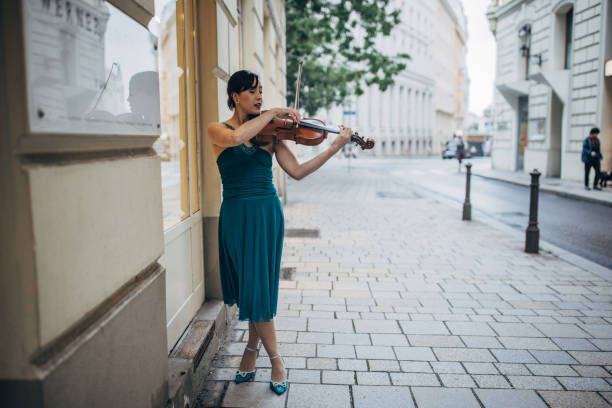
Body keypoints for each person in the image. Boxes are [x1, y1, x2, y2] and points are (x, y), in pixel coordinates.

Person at [206, 70, 351, 396]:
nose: (259, 96)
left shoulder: (272, 136)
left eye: (261, 92)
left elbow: (298, 172)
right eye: (252, 92)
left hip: (266, 213)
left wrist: (335, 147)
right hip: (235, 215)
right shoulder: (218, 129)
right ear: (235, 96)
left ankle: (275, 360)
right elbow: (234, 140)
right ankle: (250, 352)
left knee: (259, 286)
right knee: (250, 288)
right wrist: (272, 112)